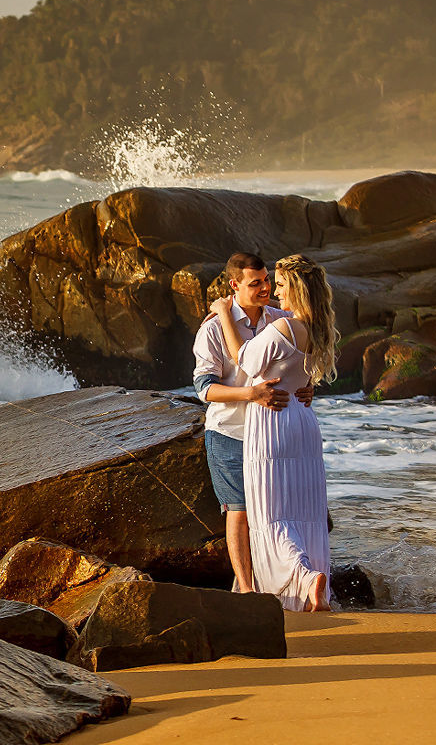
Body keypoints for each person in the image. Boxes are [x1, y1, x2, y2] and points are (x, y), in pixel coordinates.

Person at [211, 253, 335, 612]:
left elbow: (244, 361)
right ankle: (310, 584)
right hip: (302, 421)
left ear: (296, 288)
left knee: (271, 516)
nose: (275, 292)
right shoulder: (318, 328)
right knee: (303, 512)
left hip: (273, 424)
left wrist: (223, 312)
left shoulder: (283, 328)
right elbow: (303, 377)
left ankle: (304, 578)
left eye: (280, 285)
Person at [192, 252, 310, 594]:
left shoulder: (281, 318)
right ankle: (246, 590)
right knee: (240, 511)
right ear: (235, 284)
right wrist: (251, 394)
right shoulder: (214, 328)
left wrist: (308, 385)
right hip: (230, 433)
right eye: (255, 283)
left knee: (275, 512)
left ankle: (282, 583)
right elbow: (204, 389)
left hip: (272, 433)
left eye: (267, 280)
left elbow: (300, 359)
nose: (265, 288)